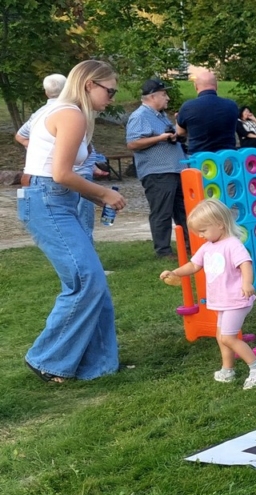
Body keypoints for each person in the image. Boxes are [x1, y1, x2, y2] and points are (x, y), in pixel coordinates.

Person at [19, 60, 126, 383]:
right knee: (86, 280)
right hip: (47, 201)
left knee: (92, 282)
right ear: (90, 84)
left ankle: (98, 365)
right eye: (110, 91)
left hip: (54, 199)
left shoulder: (65, 111)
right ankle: (46, 359)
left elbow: (61, 176)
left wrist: (96, 197)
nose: (112, 98)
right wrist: (103, 194)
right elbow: (60, 174)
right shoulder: (70, 114)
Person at [159, 199, 256, 390]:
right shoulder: (208, 247)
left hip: (236, 299)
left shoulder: (232, 244)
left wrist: (246, 283)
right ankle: (228, 369)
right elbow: (194, 265)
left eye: (203, 230)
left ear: (219, 224)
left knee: (228, 337)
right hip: (222, 301)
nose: (200, 235)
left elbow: (245, 263)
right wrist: (175, 272)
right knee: (221, 336)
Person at [16, 73, 103, 241]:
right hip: (70, 176)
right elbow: (63, 171)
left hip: (60, 178)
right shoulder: (70, 113)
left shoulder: (41, 112)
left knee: (71, 235)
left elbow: (20, 135)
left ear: (46, 92)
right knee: (81, 229)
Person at [126, 79, 189, 259]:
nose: (167, 98)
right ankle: (163, 251)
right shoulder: (140, 116)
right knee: (162, 212)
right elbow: (133, 143)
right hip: (157, 172)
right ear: (152, 97)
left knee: (182, 210)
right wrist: (160, 138)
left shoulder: (160, 115)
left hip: (174, 169)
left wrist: (174, 136)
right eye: (164, 94)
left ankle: (189, 245)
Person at [176, 71, 238, 153]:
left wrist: (178, 119)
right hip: (227, 156)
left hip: (200, 157)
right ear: (216, 86)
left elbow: (180, 133)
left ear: (196, 86)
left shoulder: (187, 107)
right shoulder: (232, 105)